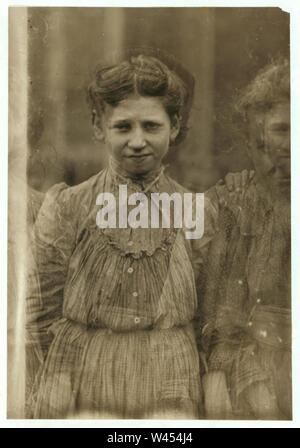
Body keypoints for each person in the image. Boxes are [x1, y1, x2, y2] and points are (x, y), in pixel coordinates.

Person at [26, 53, 211, 419]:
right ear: (99, 126)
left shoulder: (195, 211)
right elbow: (43, 306)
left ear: (174, 127)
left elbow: (207, 305)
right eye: (123, 127)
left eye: (152, 126)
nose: (138, 141)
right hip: (86, 373)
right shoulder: (69, 206)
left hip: (169, 376)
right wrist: (60, 375)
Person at [200, 59, 291, 420]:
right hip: (251, 374)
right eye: (279, 130)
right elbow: (215, 310)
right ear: (253, 137)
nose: (286, 144)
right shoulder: (230, 205)